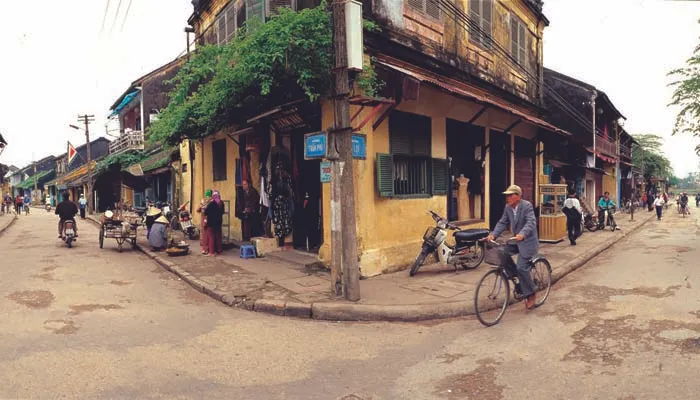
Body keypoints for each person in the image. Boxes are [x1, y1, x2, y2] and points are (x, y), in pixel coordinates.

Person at [486, 185, 539, 310]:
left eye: (510, 195)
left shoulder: (526, 206)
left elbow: (531, 222)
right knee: (502, 254)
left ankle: (531, 294)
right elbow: (503, 222)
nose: (508, 198)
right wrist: (493, 234)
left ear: (518, 196)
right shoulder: (508, 208)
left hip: (527, 242)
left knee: (522, 267)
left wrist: (522, 233)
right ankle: (519, 278)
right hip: (516, 241)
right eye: (507, 195)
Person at [204, 190, 225, 256]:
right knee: (218, 236)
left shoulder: (211, 204)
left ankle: (212, 252)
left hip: (211, 223)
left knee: (211, 237)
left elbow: (206, 212)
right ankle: (219, 250)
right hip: (218, 222)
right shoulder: (221, 203)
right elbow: (222, 212)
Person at [196, 189, 212, 254]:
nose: (207, 198)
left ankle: (205, 248)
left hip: (205, 219)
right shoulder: (210, 201)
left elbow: (198, 210)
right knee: (207, 234)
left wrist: (201, 207)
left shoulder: (203, 201)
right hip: (207, 219)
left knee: (205, 234)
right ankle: (207, 248)